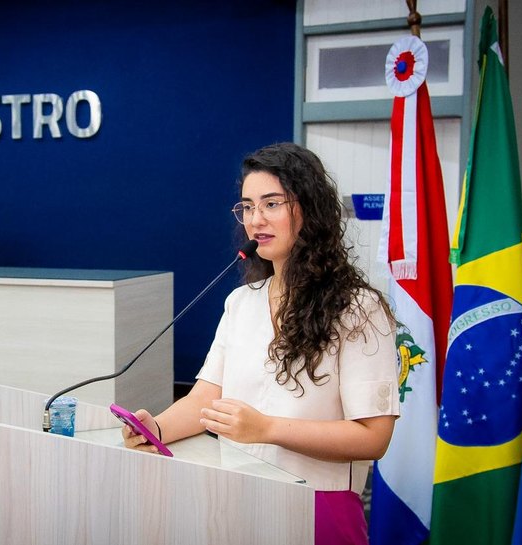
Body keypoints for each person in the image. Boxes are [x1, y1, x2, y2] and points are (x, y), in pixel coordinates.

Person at [122, 142, 399, 544]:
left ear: (310, 209)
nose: (255, 220)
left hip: (318, 506)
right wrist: (157, 429)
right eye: (247, 207)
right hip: (238, 497)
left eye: (271, 204)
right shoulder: (241, 302)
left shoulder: (357, 307)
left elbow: (373, 437)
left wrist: (267, 428)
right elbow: (206, 400)